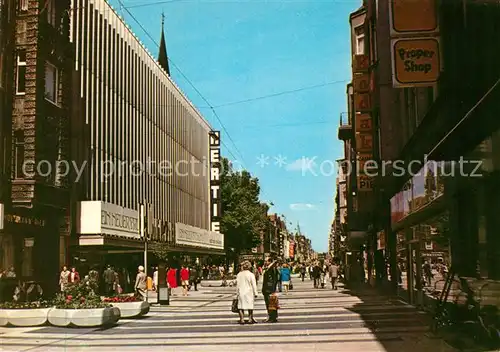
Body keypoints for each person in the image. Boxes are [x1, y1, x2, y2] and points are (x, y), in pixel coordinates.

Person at [236, 261, 258, 325]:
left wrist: (237, 292)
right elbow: (254, 284)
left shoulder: (239, 274)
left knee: (240, 306)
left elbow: (237, 285)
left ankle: (242, 319)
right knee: (250, 306)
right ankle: (250, 319)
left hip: (241, 292)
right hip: (249, 292)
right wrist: (255, 293)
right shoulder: (251, 274)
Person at [262, 259, 279, 323]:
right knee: (272, 304)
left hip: (268, 290)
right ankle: (273, 317)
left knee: (270, 304)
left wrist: (272, 290)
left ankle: (271, 317)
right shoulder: (271, 269)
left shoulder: (271, 270)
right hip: (269, 289)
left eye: (267, 261)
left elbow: (273, 280)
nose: (265, 262)